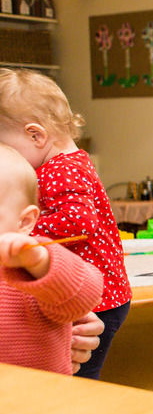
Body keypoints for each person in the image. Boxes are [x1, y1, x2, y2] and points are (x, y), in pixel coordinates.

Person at [0, 68, 131, 379]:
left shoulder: (59, 170)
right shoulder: (68, 163)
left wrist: (25, 238)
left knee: (79, 376)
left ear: (36, 135)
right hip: (85, 291)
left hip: (97, 295)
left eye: (7, 148)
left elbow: (80, 221)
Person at [0, 145, 104, 374]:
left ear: (25, 222)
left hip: (40, 400)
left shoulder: (32, 270)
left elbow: (88, 291)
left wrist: (42, 262)